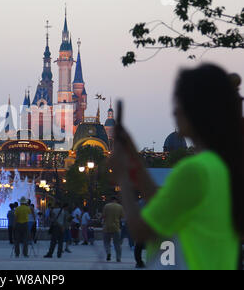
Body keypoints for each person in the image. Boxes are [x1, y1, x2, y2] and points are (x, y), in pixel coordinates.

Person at [111, 64, 243, 270]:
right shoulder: (220, 166)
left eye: (179, 102)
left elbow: (140, 230)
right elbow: (164, 203)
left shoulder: (193, 171)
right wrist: (134, 157)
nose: (175, 110)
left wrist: (123, 179)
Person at [102, 197, 124, 262]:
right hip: (116, 227)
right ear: (116, 200)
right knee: (117, 244)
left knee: (106, 242)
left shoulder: (106, 206)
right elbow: (122, 217)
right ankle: (118, 257)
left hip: (107, 227)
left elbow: (103, 216)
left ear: (110, 200)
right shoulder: (120, 207)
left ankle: (108, 252)